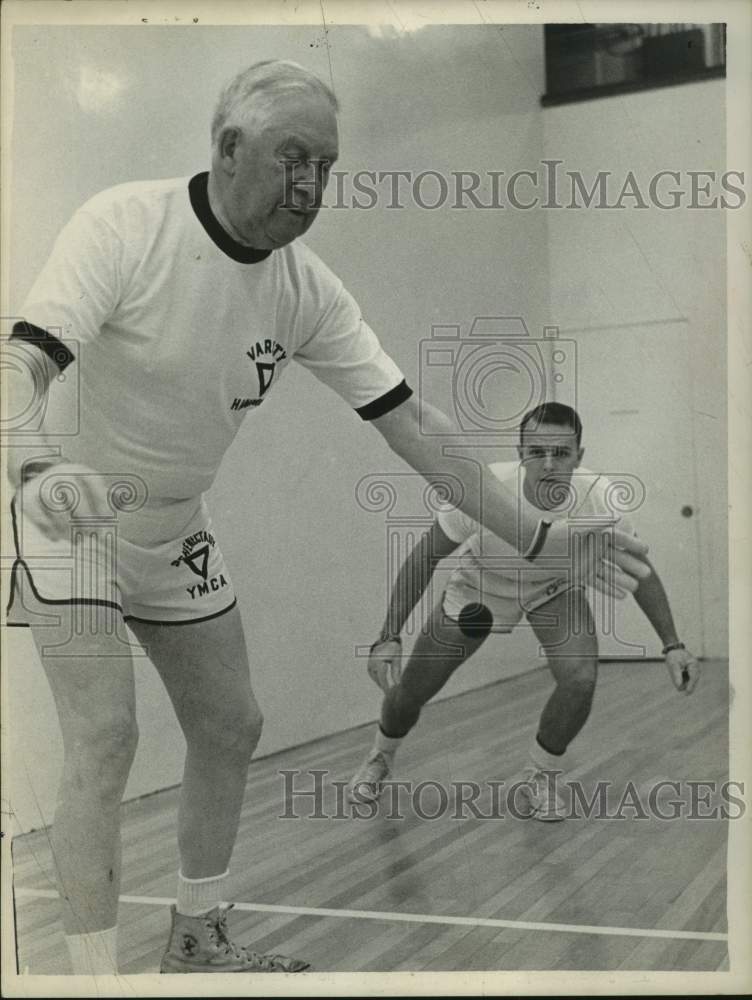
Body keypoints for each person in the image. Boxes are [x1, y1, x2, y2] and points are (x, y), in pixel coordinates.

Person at [4, 62, 649, 975]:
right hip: (68, 523)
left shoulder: (305, 289)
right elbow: (16, 367)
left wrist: (539, 535)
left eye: (327, 166)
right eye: (290, 158)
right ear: (228, 150)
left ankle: (195, 940)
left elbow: (417, 432)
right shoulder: (124, 226)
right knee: (106, 739)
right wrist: (34, 467)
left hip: (174, 527)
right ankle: (89, 983)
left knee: (231, 725)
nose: (310, 187)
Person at [347, 401, 700, 820]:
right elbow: (424, 557)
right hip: (481, 586)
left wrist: (672, 644)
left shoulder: (599, 498)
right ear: (520, 452)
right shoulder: (483, 489)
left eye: (562, 453)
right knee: (411, 692)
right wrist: (388, 635)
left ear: (579, 456)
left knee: (580, 678)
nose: (548, 464)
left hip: (552, 589)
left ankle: (541, 775)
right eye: (536, 452)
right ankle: (381, 755)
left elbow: (640, 570)